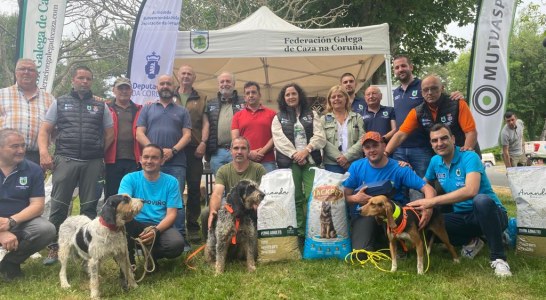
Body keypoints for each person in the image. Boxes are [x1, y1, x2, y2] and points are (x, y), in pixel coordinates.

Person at [409, 124, 512, 277]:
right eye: (435, 140)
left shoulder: (469, 156)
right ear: (431, 144)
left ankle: (499, 258)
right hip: (462, 216)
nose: (440, 143)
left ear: (453, 139)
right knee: (431, 224)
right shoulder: (435, 161)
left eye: (444, 138)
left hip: (489, 213)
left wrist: (432, 202)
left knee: (481, 201)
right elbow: (423, 185)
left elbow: (471, 191)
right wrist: (406, 172)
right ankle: (474, 239)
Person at [38, 66, 114, 265]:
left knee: (90, 208)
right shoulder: (60, 102)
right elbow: (45, 130)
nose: (84, 81)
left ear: (92, 81)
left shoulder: (100, 106)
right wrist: (44, 153)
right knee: (59, 207)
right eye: (81, 78)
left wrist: (97, 152)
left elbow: (109, 134)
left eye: (88, 78)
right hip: (66, 159)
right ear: (73, 80)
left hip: (93, 162)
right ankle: (54, 249)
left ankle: (86, 248)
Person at [343, 131, 436, 252]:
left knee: (402, 253)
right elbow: (344, 195)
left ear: (384, 146)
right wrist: (355, 199)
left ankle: (397, 245)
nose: (371, 150)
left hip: (393, 214)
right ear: (363, 151)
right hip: (366, 213)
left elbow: (429, 189)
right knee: (360, 253)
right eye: (367, 147)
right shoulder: (356, 167)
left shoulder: (399, 168)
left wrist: (428, 208)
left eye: (375, 145)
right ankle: (378, 239)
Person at [391, 56, 463, 194]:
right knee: (401, 185)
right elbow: (400, 130)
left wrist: (457, 94)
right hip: (401, 148)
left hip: (421, 147)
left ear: (411, 67)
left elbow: (443, 97)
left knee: (423, 184)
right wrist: (387, 151)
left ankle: (428, 212)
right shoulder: (396, 92)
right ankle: (408, 213)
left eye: (403, 66)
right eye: (397, 67)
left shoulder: (423, 85)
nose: (400, 69)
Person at [135, 74, 192, 245]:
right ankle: (146, 233)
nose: (165, 86)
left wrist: (173, 150)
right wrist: (156, 152)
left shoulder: (182, 111)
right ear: (157, 87)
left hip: (176, 162)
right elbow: (139, 133)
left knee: (176, 201)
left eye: (168, 83)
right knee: (147, 198)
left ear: (174, 87)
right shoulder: (147, 109)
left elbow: (187, 136)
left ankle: (179, 236)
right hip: (152, 162)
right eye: (162, 84)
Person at [0, 129, 56, 281]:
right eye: (15, 146)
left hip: (19, 221)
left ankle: (10, 262)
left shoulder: (33, 169)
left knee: (46, 229)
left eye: (23, 146)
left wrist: (10, 222)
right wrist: (1, 231)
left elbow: (37, 205)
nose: (21, 150)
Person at [272, 83, 326, 237]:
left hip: (310, 160)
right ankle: (300, 233)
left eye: (293, 94)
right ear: (283, 98)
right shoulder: (278, 117)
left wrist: (306, 151)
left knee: (312, 196)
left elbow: (320, 137)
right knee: (295, 198)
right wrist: (296, 154)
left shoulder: (312, 114)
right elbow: (279, 140)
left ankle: (313, 231)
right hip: (290, 162)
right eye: (287, 95)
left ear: (299, 95)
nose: (291, 97)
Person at [119, 144, 184, 264]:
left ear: (162, 161)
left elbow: (171, 215)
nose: (149, 161)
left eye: (154, 157)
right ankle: (129, 263)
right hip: (135, 224)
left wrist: (156, 231)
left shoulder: (172, 182)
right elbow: (123, 207)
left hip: (159, 225)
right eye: (146, 157)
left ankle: (150, 254)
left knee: (176, 245)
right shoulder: (129, 179)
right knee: (124, 224)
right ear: (140, 159)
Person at [386, 75, 478, 157]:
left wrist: (466, 156)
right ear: (421, 93)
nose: (429, 92)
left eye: (434, 88)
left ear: (442, 88)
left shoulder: (458, 104)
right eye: (425, 90)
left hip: (465, 153)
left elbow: (471, 132)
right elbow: (400, 135)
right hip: (443, 159)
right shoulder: (417, 112)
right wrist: (385, 153)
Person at [202, 136, 266, 239]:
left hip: (252, 207)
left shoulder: (259, 169)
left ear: (249, 151)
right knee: (206, 212)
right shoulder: (223, 170)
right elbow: (217, 194)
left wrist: (258, 205)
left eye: (243, 148)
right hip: (231, 206)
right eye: (236, 148)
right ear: (230, 151)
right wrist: (213, 210)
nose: (239, 152)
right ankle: (211, 244)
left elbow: (265, 192)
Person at [173, 65, 209, 243]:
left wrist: (203, 142)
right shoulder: (168, 96)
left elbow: (205, 123)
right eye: (183, 73)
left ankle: (193, 227)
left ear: (194, 78)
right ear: (178, 77)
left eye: (189, 74)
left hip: (194, 150)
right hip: (173, 151)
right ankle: (175, 226)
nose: (186, 76)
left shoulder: (202, 97)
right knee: (175, 190)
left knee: (194, 189)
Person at [0, 58, 55, 164]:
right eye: (22, 69)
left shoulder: (50, 99)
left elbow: (55, 130)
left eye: (31, 70)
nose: (26, 72)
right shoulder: (2, 95)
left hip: (36, 157)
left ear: (37, 74)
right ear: (16, 73)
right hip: (5, 156)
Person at [104, 77, 142, 199]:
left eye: (127, 88)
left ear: (132, 91)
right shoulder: (105, 108)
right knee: (112, 196)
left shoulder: (139, 109)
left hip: (133, 160)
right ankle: (110, 219)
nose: (124, 91)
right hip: (112, 160)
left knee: (131, 197)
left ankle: (130, 219)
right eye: (120, 88)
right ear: (114, 90)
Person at [205, 71, 245, 175]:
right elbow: (205, 126)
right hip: (217, 151)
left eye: (228, 81)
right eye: (222, 82)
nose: (225, 84)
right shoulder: (210, 103)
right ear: (218, 85)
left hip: (238, 151)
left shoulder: (244, 102)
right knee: (220, 185)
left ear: (234, 84)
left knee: (237, 185)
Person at [231, 81, 277, 173]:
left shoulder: (272, 114)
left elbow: (275, 137)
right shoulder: (237, 116)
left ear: (259, 95)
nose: (251, 95)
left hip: (267, 161)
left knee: (268, 187)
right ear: (244, 97)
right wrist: (249, 153)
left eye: (253, 92)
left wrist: (261, 152)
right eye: (248, 93)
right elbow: (235, 139)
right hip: (245, 161)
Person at [320, 85, 365, 174]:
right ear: (330, 101)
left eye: (340, 96)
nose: (336, 99)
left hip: (354, 163)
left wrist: (347, 157)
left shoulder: (357, 117)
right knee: (334, 188)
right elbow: (322, 140)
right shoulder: (323, 119)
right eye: (333, 97)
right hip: (332, 164)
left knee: (357, 188)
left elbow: (362, 139)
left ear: (346, 99)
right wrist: (340, 158)